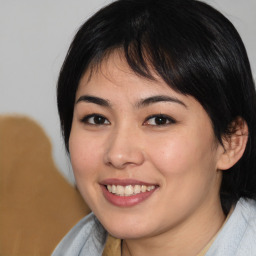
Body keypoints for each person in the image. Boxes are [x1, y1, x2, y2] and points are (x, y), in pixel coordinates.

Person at [52, 0, 256, 255]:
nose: (118, 154)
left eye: (159, 119)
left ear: (231, 142)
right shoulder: (75, 246)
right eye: (97, 119)